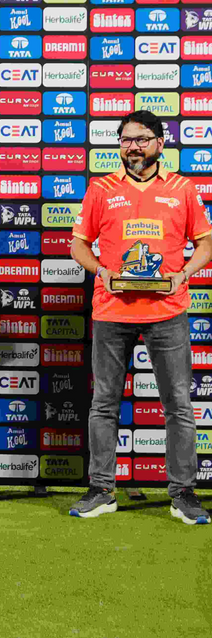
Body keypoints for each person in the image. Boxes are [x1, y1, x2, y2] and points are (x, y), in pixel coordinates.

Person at [70, 110, 212, 524]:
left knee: (178, 405)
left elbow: (205, 243)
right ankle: (102, 489)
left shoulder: (183, 189)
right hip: (111, 310)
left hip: (167, 311)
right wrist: (102, 272)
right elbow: (78, 245)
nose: (133, 146)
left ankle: (183, 493)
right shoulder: (101, 188)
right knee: (103, 403)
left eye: (142, 139)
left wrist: (184, 273)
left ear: (160, 143)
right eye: (126, 140)